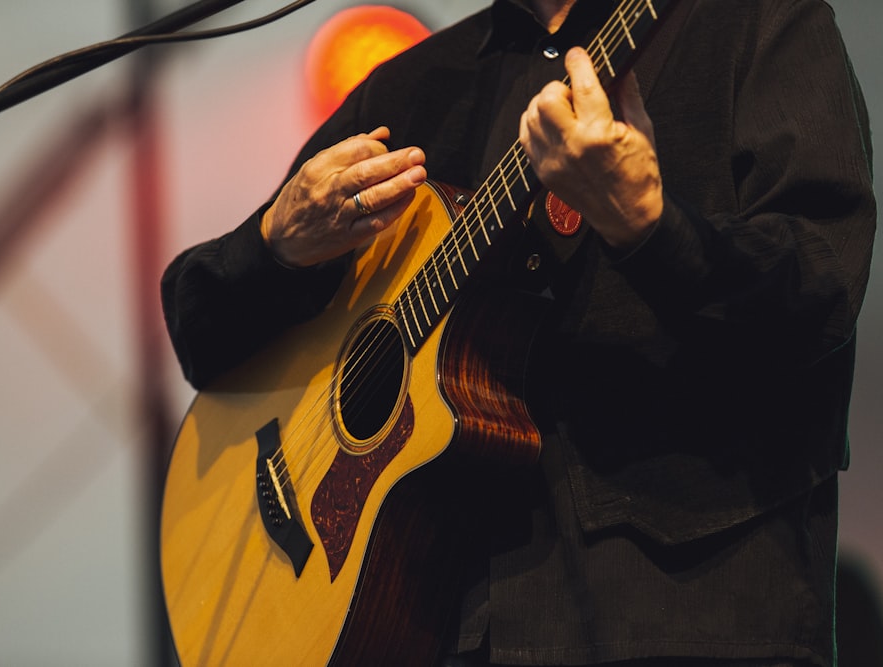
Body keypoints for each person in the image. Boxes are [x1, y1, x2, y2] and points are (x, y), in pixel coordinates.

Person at [160, 0, 876, 665]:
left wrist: (652, 231)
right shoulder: (409, 90)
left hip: (681, 616)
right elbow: (203, 337)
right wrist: (273, 246)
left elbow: (821, 294)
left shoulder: (752, 19)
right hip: (450, 631)